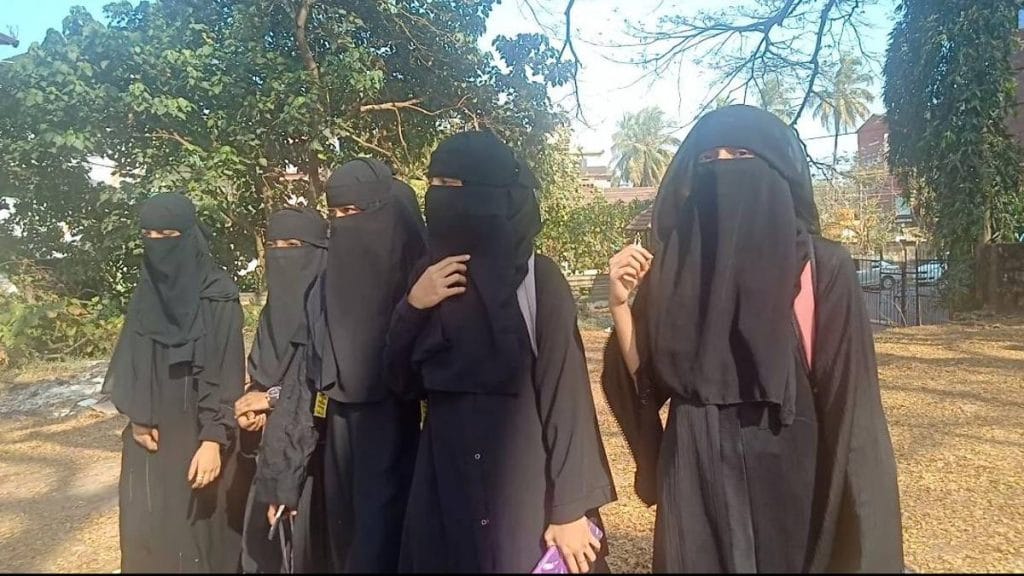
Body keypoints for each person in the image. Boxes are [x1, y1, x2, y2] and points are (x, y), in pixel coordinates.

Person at [601, 105, 904, 573]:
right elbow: (646, 382)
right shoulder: (676, 266)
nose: (723, 168)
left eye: (740, 153)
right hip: (694, 482)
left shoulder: (821, 268)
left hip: (789, 475)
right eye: (708, 159)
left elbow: (853, 411)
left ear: (776, 169)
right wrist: (621, 305)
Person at [385, 131, 616, 574]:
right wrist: (414, 307)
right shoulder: (428, 277)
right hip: (443, 487)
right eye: (433, 185)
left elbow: (566, 399)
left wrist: (569, 509)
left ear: (489, 193)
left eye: (453, 186)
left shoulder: (538, 280)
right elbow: (398, 382)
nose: (439, 198)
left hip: (525, 489)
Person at [273, 158, 425, 572]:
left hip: (415, 437)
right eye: (336, 214)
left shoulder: (423, 282)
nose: (343, 224)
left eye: (354, 212)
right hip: (341, 440)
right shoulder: (324, 286)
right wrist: (283, 476)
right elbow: (303, 384)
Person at [103, 193, 247, 573]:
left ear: (188, 236)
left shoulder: (218, 294)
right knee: (149, 533)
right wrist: (138, 416)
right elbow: (132, 359)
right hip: (149, 435)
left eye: (168, 235)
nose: (158, 245)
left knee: (201, 537)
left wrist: (214, 439)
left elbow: (227, 371)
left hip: (200, 433)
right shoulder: (146, 292)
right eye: (149, 235)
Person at [236, 207, 329, 573]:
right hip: (272, 459)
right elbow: (262, 374)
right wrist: (253, 408)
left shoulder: (329, 310)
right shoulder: (273, 313)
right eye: (274, 245)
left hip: (313, 460)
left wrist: (271, 400)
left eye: (293, 245)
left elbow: (317, 384)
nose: (282, 255)